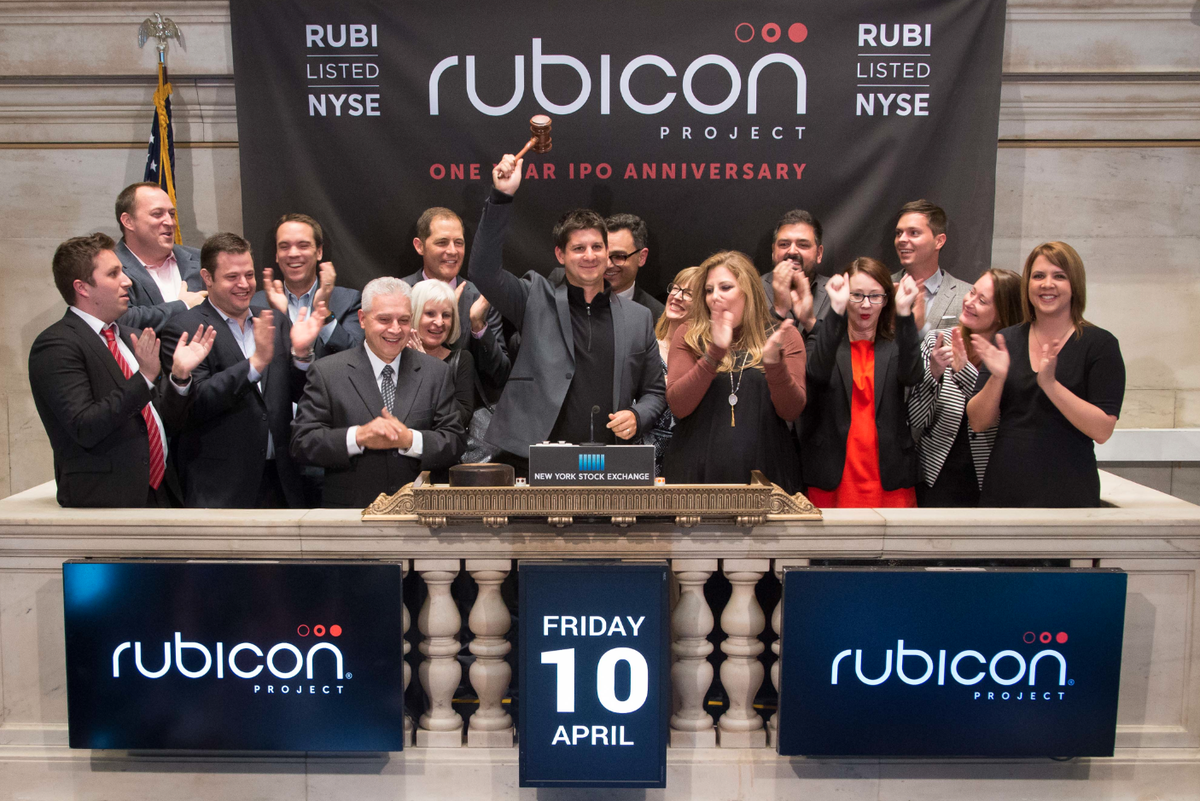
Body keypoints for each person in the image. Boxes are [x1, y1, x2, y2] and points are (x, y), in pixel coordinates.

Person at [467, 154, 666, 474]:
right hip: (534, 462)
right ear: (560, 254)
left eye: (597, 247)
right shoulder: (534, 298)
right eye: (578, 248)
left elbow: (655, 392)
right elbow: (483, 271)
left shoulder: (638, 318)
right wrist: (501, 197)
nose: (590, 256)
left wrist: (637, 415)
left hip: (608, 464)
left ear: (607, 253)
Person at [29, 232, 215, 507]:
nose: (127, 281)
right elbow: (84, 426)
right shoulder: (56, 344)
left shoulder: (130, 336)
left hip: (162, 492)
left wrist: (178, 377)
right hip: (105, 501)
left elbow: (165, 420)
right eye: (113, 274)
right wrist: (144, 378)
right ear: (82, 287)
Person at [159, 233, 327, 508]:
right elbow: (194, 407)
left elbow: (300, 394)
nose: (244, 284)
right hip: (222, 488)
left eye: (249, 275)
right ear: (207, 278)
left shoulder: (274, 321)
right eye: (232, 277)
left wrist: (301, 356)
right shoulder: (185, 328)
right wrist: (254, 364)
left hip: (282, 483)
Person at [967, 242, 1125, 507]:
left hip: (1069, 491)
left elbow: (1102, 430)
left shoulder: (1100, 344)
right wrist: (997, 377)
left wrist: (1050, 384)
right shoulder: (1006, 339)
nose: (1047, 284)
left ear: (1075, 285)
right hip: (1004, 488)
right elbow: (978, 422)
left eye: (1059, 276)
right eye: (1038, 276)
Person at [291, 277, 466, 508]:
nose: (395, 329)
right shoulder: (328, 372)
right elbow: (303, 442)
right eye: (384, 319)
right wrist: (358, 437)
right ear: (362, 319)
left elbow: (454, 441)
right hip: (352, 514)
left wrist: (410, 440)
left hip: (420, 515)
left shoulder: (436, 372)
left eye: (404, 320)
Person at [663, 252, 806, 492]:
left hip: (767, 473)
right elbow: (678, 405)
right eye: (709, 290)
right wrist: (714, 354)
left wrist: (774, 365)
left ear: (748, 291)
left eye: (725, 287)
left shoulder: (783, 336)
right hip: (694, 473)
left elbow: (791, 410)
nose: (714, 297)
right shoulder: (689, 334)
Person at [802, 258, 923, 507]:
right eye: (856, 295)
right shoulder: (825, 341)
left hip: (888, 476)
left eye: (875, 296)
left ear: (886, 299)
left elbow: (912, 376)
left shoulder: (896, 345)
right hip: (834, 475)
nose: (865, 304)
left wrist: (904, 312)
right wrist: (836, 310)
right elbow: (817, 374)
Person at [907, 268, 1023, 507]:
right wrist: (934, 374)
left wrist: (965, 372)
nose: (969, 302)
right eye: (971, 292)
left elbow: (997, 419)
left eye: (982, 300)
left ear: (1002, 313)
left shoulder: (1011, 355)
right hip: (935, 475)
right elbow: (917, 418)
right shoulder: (937, 341)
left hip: (988, 476)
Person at [403, 207, 510, 401]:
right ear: (420, 246)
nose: (452, 251)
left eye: (458, 243)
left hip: (469, 409)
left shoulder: (481, 297)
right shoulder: (400, 293)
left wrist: (478, 326)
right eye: (442, 242)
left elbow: (500, 375)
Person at [253, 213, 363, 359]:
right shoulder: (255, 305)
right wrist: (279, 317)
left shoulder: (349, 300)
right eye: (284, 247)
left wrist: (324, 314)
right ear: (277, 255)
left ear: (319, 252)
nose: (293, 253)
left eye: (303, 245)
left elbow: (357, 358)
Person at [113, 182, 208, 331]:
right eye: (157, 214)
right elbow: (122, 319)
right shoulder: (110, 267)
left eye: (172, 214)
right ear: (128, 221)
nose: (170, 222)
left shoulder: (201, 259)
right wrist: (183, 306)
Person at [648, 266, 701, 475]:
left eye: (688, 294)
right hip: (643, 458)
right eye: (676, 288)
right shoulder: (646, 347)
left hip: (687, 459)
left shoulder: (705, 360)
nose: (677, 296)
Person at [892, 200, 972, 337]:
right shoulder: (878, 290)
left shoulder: (967, 296)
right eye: (899, 233)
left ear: (939, 241)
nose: (902, 239)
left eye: (914, 233)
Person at [408, 279, 475, 428]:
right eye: (430, 313)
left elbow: (462, 419)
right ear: (413, 315)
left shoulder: (461, 359)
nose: (439, 322)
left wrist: (427, 367)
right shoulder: (394, 357)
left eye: (446, 315)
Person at [761, 209, 831, 341]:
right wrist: (778, 311)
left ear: (819, 253)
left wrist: (810, 322)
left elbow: (840, 349)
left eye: (803, 245)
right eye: (784, 244)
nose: (792, 251)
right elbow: (747, 349)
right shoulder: (752, 290)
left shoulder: (836, 295)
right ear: (773, 252)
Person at [603, 213, 664, 319]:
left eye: (619, 256)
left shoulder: (658, 319)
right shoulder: (574, 304)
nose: (607, 265)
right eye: (602, 255)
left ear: (641, 257)